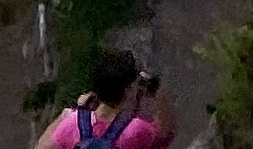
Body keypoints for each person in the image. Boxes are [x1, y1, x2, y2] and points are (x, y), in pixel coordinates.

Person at [38, 43, 171, 149]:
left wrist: (65, 115)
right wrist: (155, 91)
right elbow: (165, 135)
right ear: (128, 90)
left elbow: (41, 146)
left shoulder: (72, 124)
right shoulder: (136, 130)